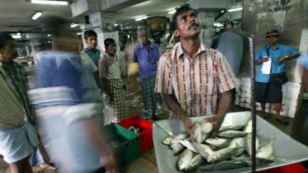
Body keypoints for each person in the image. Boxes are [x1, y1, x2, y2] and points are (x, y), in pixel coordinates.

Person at [155, 4, 237, 135]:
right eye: (184, 18)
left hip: (209, 125)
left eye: (193, 16)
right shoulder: (167, 60)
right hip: (180, 125)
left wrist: (220, 117)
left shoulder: (216, 57)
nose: (191, 20)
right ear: (176, 32)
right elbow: (167, 95)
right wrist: (184, 118)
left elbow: (228, 91)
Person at [30, 50, 118, 173]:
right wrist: (105, 153)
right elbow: (81, 120)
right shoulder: (66, 68)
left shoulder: (42, 71)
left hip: (67, 159)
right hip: (86, 154)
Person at [0, 32, 39, 173]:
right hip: (8, 127)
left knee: (27, 158)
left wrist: (32, 118)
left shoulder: (18, 68)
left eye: (14, 46)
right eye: (10, 47)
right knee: (17, 162)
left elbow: (25, 96)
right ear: (1, 51)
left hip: (25, 121)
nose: (15, 50)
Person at [255, 29, 300, 124]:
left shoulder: (284, 48)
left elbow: (298, 53)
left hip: (276, 77)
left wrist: (285, 58)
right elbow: (255, 61)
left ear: (278, 38)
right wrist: (261, 61)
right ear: (266, 39)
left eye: (274, 37)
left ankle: (278, 116)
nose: (271, 39)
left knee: (277, 98)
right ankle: (263, 112)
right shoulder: (262, 49)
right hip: (262, 78)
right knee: (262, 97)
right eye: (269, 37)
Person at [134, 26, 160, 120]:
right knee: (146, 98)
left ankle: (155, 113)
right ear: (139, 37)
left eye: (145, 35)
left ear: (148, 35)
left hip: (154, 76)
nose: (143, 37)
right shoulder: (137, 49)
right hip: (143, 77)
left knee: (155, 96)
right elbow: (135, 65)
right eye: (141, 36)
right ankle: (148, 116)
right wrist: (137, 81)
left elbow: (159, 60)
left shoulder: (155, 47)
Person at [99, 38, 127, 121]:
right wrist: (109, 94)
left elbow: (117, 72)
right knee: (116, 114)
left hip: (119, 87)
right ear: (106, 47)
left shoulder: (115, 57)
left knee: (122, 110)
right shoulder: (103, 60)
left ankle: (123, 126)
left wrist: (123, 84)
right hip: (112, 90)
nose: (114, 48)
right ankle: (118, 129)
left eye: (115, 46)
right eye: (112, 46)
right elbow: (102, 79)